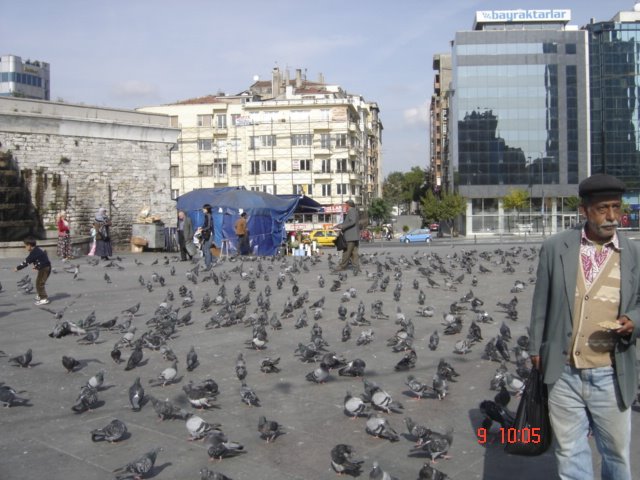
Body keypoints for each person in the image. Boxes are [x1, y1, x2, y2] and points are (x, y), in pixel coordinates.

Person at [529, 173, 640, 480]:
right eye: (603, 208)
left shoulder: (633, 253)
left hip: (611, 373)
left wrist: (633, 321)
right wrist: (535, 348)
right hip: (563, 372)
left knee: (616, 453)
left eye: (616, 208)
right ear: (584, 210)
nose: (612, 216)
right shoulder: (555, 248)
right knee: (569, 452)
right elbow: (541, 303)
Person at [14, 237, 52, 305]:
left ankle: (43, 298)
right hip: (45, 267)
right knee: (39, 282)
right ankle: (40, 295)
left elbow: (26, 262)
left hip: (44, 268)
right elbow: (41, 258)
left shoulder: (34, 253)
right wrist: (37, 266)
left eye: (25, 246)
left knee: (39, 283)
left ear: (29, 245)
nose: (25, 247)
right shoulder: (37, 249)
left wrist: (18, 268)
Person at [332, 199, 360, 272]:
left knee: (346, 252)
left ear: (348, 205)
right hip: (354, 236)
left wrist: (342, 226)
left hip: (350, 236)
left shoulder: (351, 211)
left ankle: (342, 266)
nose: (345, 206)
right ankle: (356, 267)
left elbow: (352, 221)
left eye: (345, 205)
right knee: (354, 253)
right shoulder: (355, 211)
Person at [197, 204, 214, 268]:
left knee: (206, 249)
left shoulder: (208, 215)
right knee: (206, 249)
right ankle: (210, 262)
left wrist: (202, 229)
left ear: (207, 209)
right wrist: (201, 228)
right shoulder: (207, 215)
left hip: (209, 234)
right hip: (208, 234)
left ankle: (208, 265)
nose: (202, 209)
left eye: (204, 208)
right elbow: (206, 225)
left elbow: (209, 226)